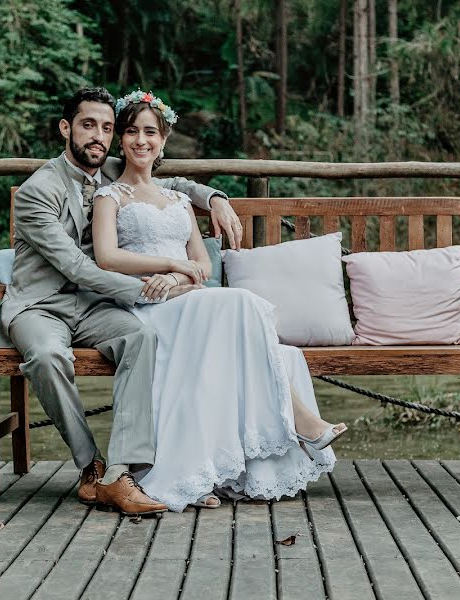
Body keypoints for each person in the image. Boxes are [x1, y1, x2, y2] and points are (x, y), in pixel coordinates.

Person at [90, 90, 347, 512]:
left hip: (186, 296)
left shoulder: (177, 199)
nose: (141, 141)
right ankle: (299, 419)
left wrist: (178, 274)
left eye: (150, 133)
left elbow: (200, 265)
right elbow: (107, 256)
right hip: (144, 305)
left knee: (245, 319)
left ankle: (211, 470)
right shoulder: (110, 196)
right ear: (121, 139)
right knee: (241, 303)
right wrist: (170, 267)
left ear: (164, 140)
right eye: (132, 132)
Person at [0, 87, 245, 515]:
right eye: (87, 125)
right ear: (65, 128)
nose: (98, 136)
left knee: (139, 337)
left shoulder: (110, 169)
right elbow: (76, 266)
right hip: (40, 305)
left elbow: (171, 183)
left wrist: (215, 198)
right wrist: (156, 287)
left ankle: (122, 471)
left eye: (106, 128)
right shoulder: (38, 191)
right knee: (46, 356)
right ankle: (90, 465)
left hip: (93, 305)